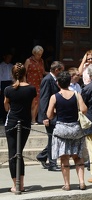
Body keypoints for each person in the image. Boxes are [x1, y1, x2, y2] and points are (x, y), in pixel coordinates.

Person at [46, 71, 87, 191]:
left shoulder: (54, 97)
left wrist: (56, 112)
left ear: (58, 83)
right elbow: (84, 110)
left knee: (64, 158)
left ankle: (67, 184)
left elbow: (49, 115)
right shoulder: (76, 94)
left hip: (61, 129)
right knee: (77, 157)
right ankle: (82, 182)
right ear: (69, 82)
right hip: (75, 129)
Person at [3, 63, 36, 193]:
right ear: (25, 74)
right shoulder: (31, 89)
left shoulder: (8, 89)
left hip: (12, 122)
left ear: (13, 74)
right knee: (19, 153)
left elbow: (6, 106)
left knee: (13, 153)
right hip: (25, 122)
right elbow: (33, 105)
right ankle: (21, 184)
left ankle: (15, 184)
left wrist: (11, 108)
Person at [36, 61, 65, 171]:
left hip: (55, 114)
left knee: (54, 138)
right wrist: (45, 116)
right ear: (57, 70)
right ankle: (52, 163)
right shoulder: (47, 80)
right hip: (49, 114)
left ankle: (42, 156)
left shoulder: (54, 79)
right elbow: (44, 98)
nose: (62, 72)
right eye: (61, 70)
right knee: (52, 138)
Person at [25, 45, 47, 125]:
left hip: (39, 84)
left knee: (37, 102)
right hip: (30, 84)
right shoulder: (29, 61)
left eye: (41, 54)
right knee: (32, 102)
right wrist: (25, 83)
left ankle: (34, 119)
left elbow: (43, 72)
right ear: (34, 53)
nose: (39, 56)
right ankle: (31, 119)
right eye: (38, 54)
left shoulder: (41, 61)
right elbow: (24, 73)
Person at [0, 52, 13, 124]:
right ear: (4, 57)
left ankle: (9, 116)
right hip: (3, 83)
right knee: (3, 101)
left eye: (10, 58)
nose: (9, 59)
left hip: (10, 83)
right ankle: (3, 117)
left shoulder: (11, 66)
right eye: (8, 57)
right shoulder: (1, 66)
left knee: (10, 100)